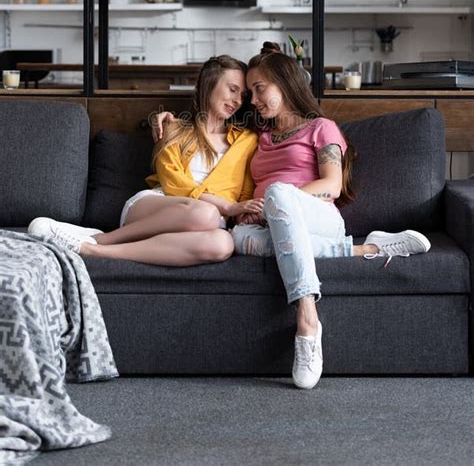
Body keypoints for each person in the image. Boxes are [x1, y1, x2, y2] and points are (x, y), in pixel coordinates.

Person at [153, 42, 431, 391]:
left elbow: (331, 185)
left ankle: (307, 320)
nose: (252, 100)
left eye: (259, 89)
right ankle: (366, 250)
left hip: (318, 217)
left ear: (284, 83)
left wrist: (277, 202)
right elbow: (208, 120)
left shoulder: (321, 128)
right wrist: (162, 117)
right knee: (236, 239)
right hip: (266, 227)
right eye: (249, 91)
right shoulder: (260, 136)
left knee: (278, 191)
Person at [28, 55, 261, 267]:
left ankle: (93, 250)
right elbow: (173, 184)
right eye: (232, 89)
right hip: (157, 207)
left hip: (210, 224)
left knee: (223, 244)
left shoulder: (247, 140)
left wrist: (243, 213)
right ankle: (103, 238)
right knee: (207, 213)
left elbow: (244, 195)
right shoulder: (174, 128)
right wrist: (227, 206)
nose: (237, 100)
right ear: (209, 83)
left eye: (243, 95)